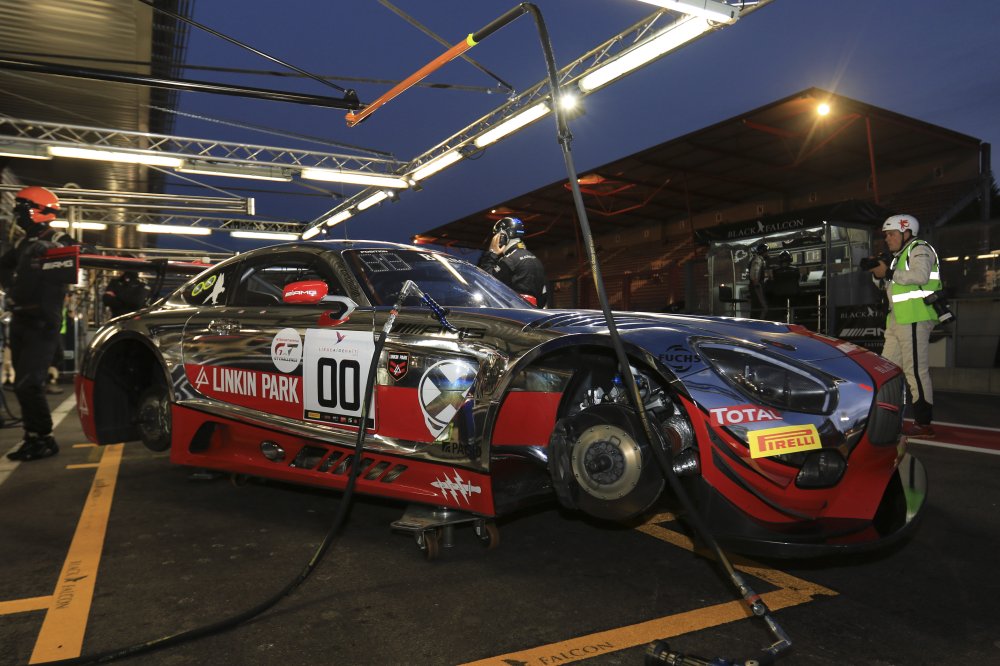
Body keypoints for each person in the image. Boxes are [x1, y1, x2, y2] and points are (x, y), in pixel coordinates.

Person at [0, 186, 80, 461]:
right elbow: (4, 265)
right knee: (22, 384)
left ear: (39, 210)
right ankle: (32, 437)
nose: (17, 214)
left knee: (29, 383)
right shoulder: (23, 244)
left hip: (42, 321)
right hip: (21, 319)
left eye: (21, 209)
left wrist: (55, 250)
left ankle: (44, 439)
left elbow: (85, 252)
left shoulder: (56, 238)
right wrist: (10, 286)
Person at [865, 214, 939, 438]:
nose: (887, 238)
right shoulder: (898, 256)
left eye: (891, 234)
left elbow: (920, 276)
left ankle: (924, 424)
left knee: (915, 370)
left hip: (915, 317)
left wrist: (888, 272)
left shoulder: (920, 248)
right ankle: (887, 417)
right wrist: (878, 273)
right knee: (887, 370)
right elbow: (887, 286)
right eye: (886, 235)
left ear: (906, 232)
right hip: (898, 320)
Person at [478, 216, 547, 307]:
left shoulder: (509, 260)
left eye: (496, 236)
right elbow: (543, 296)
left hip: (513, 312)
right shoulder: (535, 259)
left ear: (502, 236)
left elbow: (485, 282)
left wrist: (492, 253)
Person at [747, 242, 769, 319]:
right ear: (763, 251)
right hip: (756, 286)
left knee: (756, 306)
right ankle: (759, 322)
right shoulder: (758, 260)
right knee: (762, 307)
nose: (767, 253)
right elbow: (755, 272)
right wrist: (757, 284)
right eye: (766, 251)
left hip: (755, 286)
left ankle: (754, 322)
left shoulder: (756, 259)